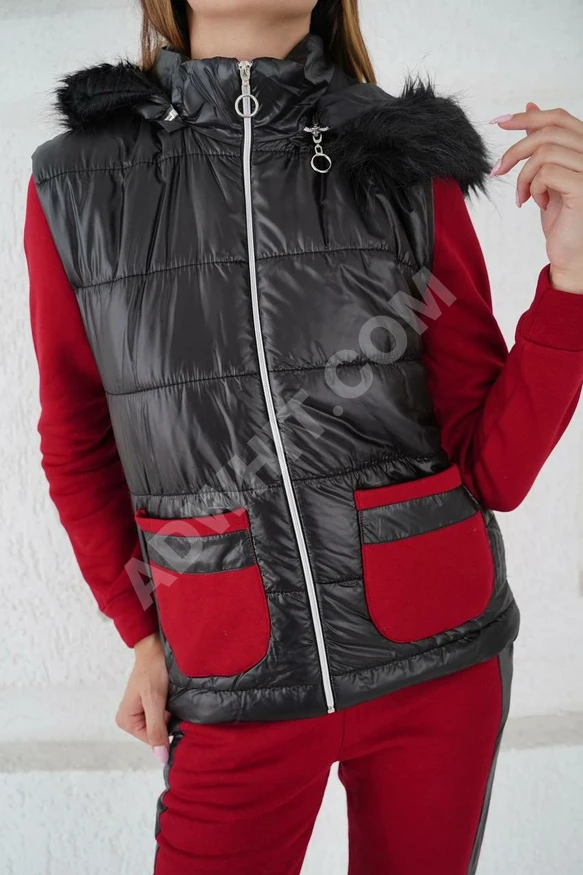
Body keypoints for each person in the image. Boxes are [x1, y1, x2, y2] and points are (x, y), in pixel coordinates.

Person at [24, 1, 583, 873]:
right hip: (229, 673)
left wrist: (572, 278)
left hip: (439, 661)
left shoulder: (401, 151)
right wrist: (142, 629)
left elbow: (492, 466)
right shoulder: (78, 180)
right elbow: (77, 439)